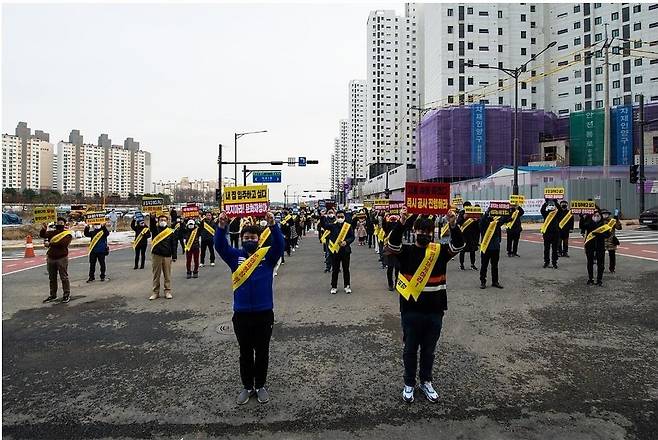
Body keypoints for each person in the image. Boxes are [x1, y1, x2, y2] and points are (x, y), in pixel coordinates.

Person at [385, 207, 464, 403]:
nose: (424, 234)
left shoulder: (439, 252)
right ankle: (409, 383)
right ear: (414, 232)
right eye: (420, 231)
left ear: (433, 234)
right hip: (411, 311)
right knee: (410, 349)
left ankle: (426, 381)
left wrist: (453, 224)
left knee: (429, 350)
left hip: (435, 311)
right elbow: (392, 244)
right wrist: (401, 222)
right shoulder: (407, 251)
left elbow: (460, 245)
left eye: (428, 232)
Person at [215, 210, 283, 405]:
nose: (249, 240)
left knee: (262, 352)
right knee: (245, 353)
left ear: (259, 239)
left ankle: (260, 385)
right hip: (241, 314)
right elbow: (220, 245)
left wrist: (273, 224)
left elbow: (279, 245)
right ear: (241, 239)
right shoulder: (235, 256)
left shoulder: (267, 257)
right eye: (246, 238)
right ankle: (247, 387)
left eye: (253, 237)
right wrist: (221, 226)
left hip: (264, 313)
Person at [39, 217, 73, 303]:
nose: (59, 224)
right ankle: (53, 295)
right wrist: (43, 229)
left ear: (64, 224)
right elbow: (43, 235)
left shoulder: (67, 234)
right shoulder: (52, 232)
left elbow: (63, 244)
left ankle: (66, 295)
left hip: (62, 258)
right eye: (58, 222)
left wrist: (50, 244)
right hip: (51, 257)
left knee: (64, 277)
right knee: (52, 278)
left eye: (61, 223)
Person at [479, 208, 510, 289]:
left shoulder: (496, 223)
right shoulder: (483, 222)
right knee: (484, 265)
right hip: (486, 247)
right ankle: (483, 282)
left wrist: (508, 211)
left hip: (495, 247)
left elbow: (505, 218)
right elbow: (482, 221)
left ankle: (495, 281)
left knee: (495, 265)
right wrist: (486, 213)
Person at [149, 214, 177, 300]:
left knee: (167, 275)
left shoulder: (170, 231)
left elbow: (174, 244)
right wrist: (152, 217)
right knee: (156, 275)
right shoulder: (155, 230)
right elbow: (152, 224)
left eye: (164, 220)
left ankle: (167, 291)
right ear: (158, 221)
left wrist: (174, 255)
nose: (163, 221)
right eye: (161, 220)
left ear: (167, 221)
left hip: (167, 255)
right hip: (156, 255)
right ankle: (155, 292)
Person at [326, 210, 355, 294]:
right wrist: (323, 216)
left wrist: (346, 242)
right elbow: (324, 225)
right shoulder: (332, 226)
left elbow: (352, 237)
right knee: (335, 269)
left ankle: (347, 286)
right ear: (336, 217)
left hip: (345, 251)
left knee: (346, 269)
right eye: (338, 217)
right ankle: (334, 286)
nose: (340, 218)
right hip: (335, 251)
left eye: (342, 217)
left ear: (344, 217)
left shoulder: (348, 226)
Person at [581, 208, 612, 286]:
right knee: (590, 263)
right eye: (594, 215)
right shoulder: (588, 223)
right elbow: (582, 226)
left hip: (600, 246)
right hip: (590, 246)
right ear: (592, 216)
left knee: (600, 264)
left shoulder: (604, 225)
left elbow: (608, 235)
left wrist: (600, 234)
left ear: (600, 216)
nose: (596, 217)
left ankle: (599, 280)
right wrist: (581, 217)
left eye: (598, 215)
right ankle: (590, 279)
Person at [457, 202, 480, 271]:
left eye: (469, 206)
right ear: (464, 207)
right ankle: (461, 264)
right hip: (463, 235)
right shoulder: (462, 213)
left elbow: (478, 225)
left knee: (472, 250)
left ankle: (472, 264)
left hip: (472, 235)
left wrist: (476, 221)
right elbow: (459, 222)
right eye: (467, 207)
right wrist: (463, 217)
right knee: (462, 250)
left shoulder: (473, 213)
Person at [540, 199, 562, 269]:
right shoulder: (546, 213)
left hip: (555, 233)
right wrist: (546, 203)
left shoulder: (557, 213)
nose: (552, 206)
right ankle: (546, 262)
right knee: (546, 249)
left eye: (553, 205)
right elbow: (542, 210)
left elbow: (561, 210)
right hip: (547, 233)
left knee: (555, 249)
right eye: (550, 205)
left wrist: (556, 202)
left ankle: (554, 262)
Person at [602, 209, 622, 273]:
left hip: (611, 241)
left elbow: (619, 228)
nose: (605, 215)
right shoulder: (599, 221)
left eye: (606, 214)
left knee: (612, 256)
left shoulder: (612, 221)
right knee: (601, 256)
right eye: (604, 214)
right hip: (602, 241)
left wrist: (617, 220)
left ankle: (612, 268)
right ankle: (601, 268)